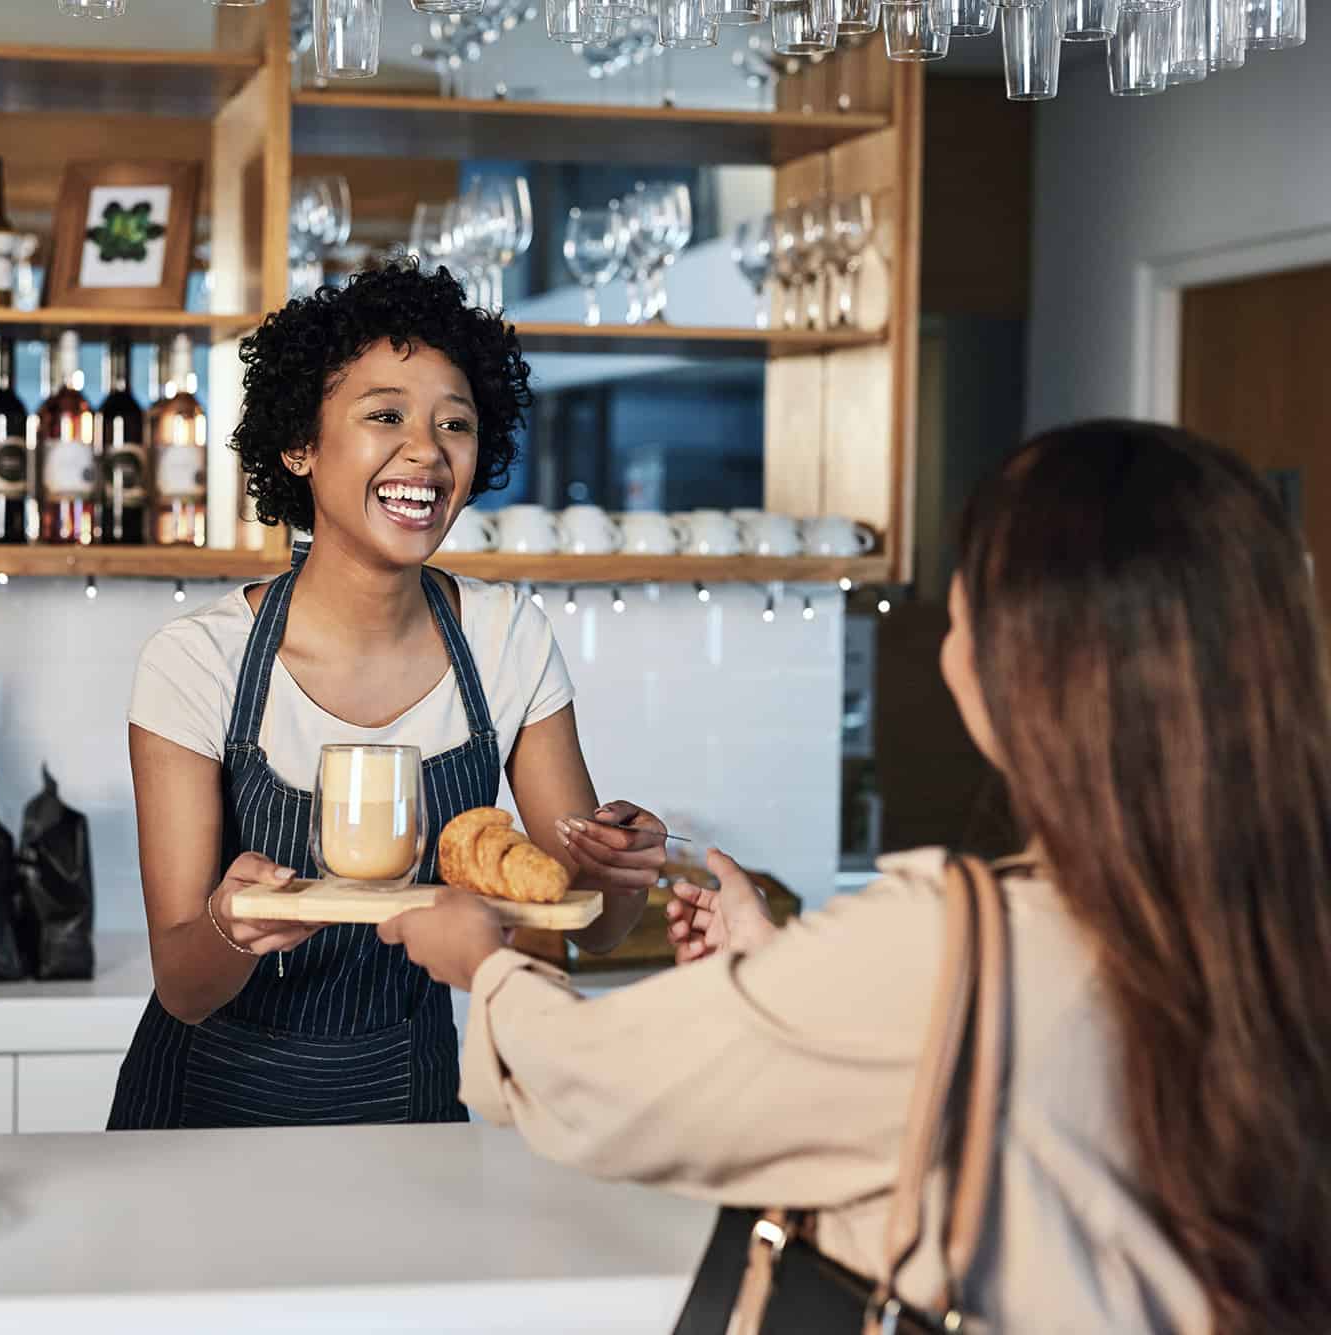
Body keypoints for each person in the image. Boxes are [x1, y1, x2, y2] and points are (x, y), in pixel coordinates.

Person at [384, 422, 1331, 1333]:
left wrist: (488, 970)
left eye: (968, 606)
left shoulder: (946, 939)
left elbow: (610, 1086)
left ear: (1029, 667)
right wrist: (789, 967)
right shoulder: (1278, 915)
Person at [108, 262, 672, 1129]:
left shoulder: (505, 640)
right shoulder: (198, 663)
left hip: (408, 1107)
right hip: (203, 1119)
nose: (427, 451)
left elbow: (580, 925)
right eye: (385, 416)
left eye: (456, 423)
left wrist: (621, 870)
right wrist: (233, 926)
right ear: (299, 443)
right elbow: (183, 985)